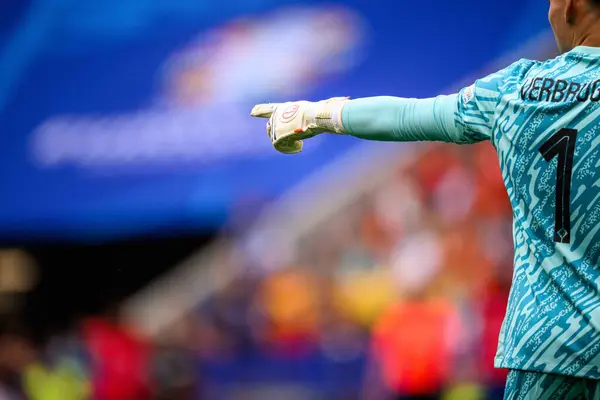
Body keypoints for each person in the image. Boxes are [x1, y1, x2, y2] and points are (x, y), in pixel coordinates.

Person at [251, 0, 600, 398]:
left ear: (571, 6)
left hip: (545, 345)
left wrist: (316, 114)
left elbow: (410, 116)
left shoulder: (517, 89)